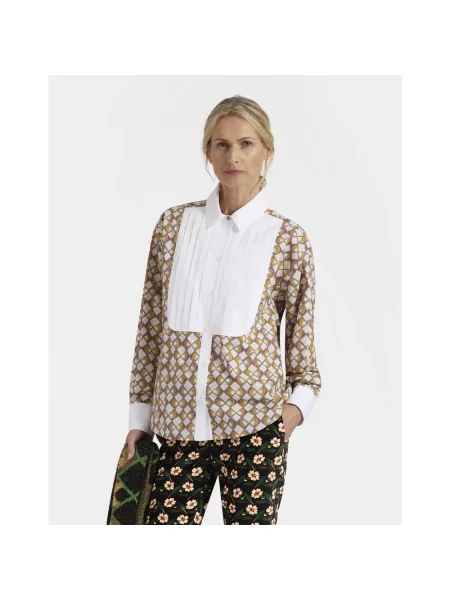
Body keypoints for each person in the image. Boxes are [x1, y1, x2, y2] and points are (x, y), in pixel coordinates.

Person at [125, 95, 322, 524]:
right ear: (208, 152)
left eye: (246, 144)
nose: (233, 156)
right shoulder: (173, 226)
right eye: (222, 144)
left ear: (266, 150)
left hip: (256, 429)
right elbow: (150, 328)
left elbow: (301, 340)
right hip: (176, 430)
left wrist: (294, 410)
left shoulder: (287, 239)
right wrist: (140, 417)